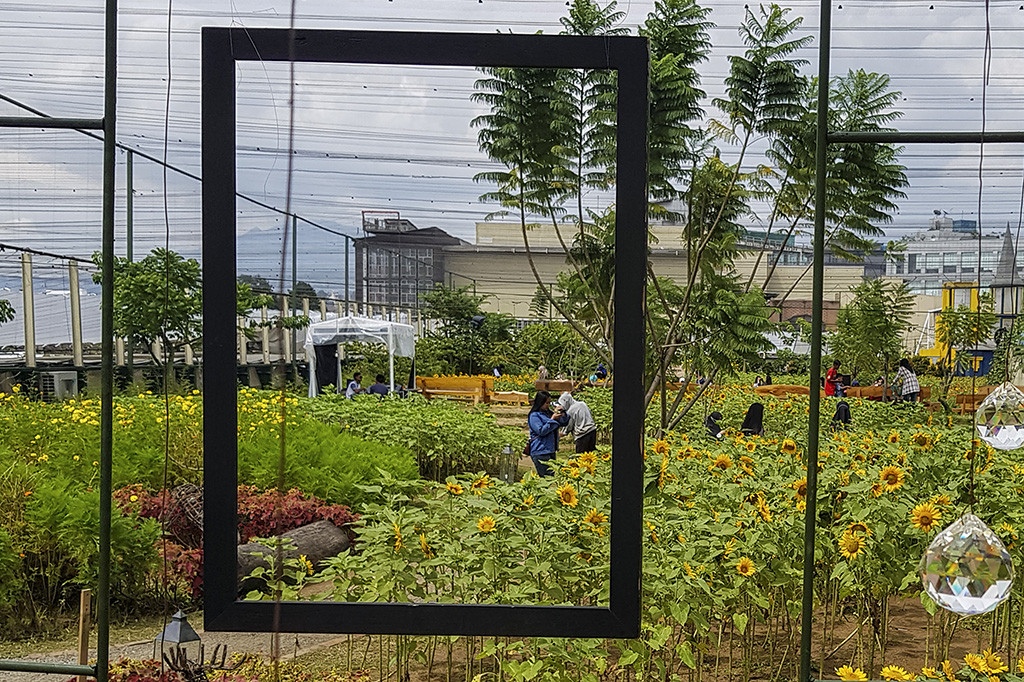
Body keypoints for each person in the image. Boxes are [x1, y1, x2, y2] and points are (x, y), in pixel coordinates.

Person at [527, 391, 569, 476]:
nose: (548, 405)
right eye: (546, 403)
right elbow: (541, 431)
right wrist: (552, 420)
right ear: (540, 402)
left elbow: (563, 422)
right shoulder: (534, 416)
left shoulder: (548, 413)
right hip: (540, 451)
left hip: (551, 450)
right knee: (545, 478)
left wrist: (563, 412)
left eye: (549, 402)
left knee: (550, 477)